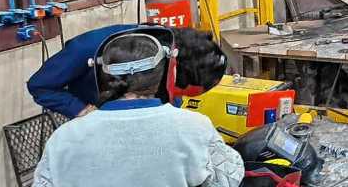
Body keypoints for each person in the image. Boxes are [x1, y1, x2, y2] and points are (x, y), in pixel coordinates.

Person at [28, 27, 244, 187]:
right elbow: (226, 186)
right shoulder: (194, 126)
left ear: (101, 74)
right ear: (170, 70)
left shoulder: (63, 139)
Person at [27, 25, 227, 118]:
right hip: (98, 121)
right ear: (172, 72)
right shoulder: (88, 48)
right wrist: (82, 111)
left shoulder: (170, 47)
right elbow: (40, 86)